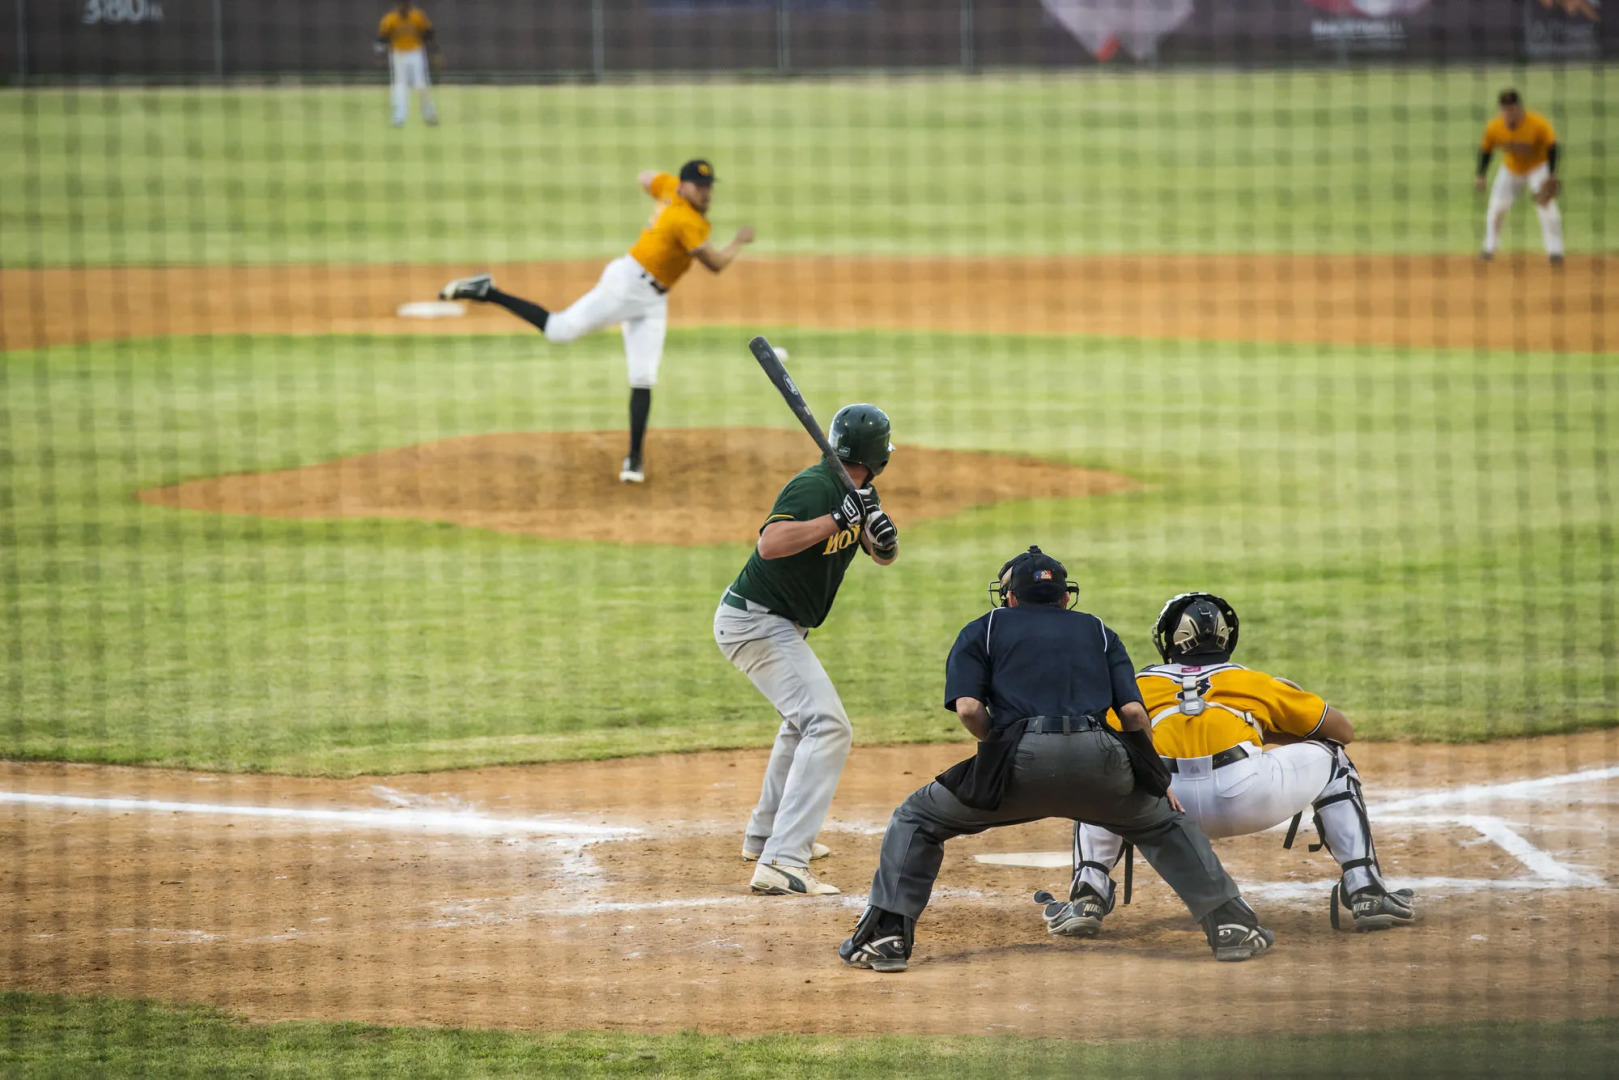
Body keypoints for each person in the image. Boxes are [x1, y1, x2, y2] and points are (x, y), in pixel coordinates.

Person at [840, 549, 1274, 973]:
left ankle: (886, 938)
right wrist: (1157, 780)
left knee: (917, 818)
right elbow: (1134, 715)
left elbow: (970, 708)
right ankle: (1232, 927)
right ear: (1065, 597)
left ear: (1010, 597)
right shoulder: (1097, 630)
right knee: (1164, 825)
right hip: (1101, 764)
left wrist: (1001, 745)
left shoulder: (984, 628)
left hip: (1017, 765)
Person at [1053, 592, 1415, 936]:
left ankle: (1088, 895)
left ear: (1168, 640)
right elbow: (1342, 731)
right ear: (1227, 638)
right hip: (1249, 800)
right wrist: (1264, 729)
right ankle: (1365, 888)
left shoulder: (1139, 684)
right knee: (1334, 757)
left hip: (1163, 810)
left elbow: (1101, 741)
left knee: (1100, 773)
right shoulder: (1252, 681)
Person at [439, 161, 755, 483]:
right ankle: (488, 291)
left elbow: (644, 177)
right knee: (558, 331)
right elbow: (715, 264)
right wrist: (739, 241)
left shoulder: (668, 188)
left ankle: (634, 460)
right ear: (685, 186)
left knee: (643, 377)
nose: (707, 193)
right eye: (700, 187)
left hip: (654, 299)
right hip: (625, 285)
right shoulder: (688, 221)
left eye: (709, 187)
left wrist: (664, 192)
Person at [715, 405, 899, 898]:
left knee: (803, 724)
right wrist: (836, 518)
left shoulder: (860, 489)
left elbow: (878, 551)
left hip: (778, 623)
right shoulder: (816, 487)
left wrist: (882, 540)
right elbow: (770, 544)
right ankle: (782, 861)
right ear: (879, 454)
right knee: (829, 725)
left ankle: (763, 836)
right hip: (755, 622)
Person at [1476, 89, 1563, 265]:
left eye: (1512, 108)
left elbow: (1552, 146)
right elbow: (1486, 150)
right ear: (1501, 110)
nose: (1509, 112)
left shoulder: (1537, 123)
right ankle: (1489, 247)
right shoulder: (1495, 127)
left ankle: (1555, 250)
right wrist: (1481, 174)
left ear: (1519, 107)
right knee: (1497, 207)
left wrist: (1551, 173)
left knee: (1546, 207)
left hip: (1537, 168)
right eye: (1505, 109)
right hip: (1511, 169)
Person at [375, 1, 440, 128]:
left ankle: (429, 116)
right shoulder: (390, 19)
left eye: (405, 5)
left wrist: (435, 53)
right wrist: (380, 56)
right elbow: (381, 40)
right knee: (400, 87)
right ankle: (398, 119)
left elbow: (429, 35)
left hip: (416, 53)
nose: (403, 7)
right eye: (400, 5)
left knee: (422, 85)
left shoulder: (418, 16)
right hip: (398, 55)